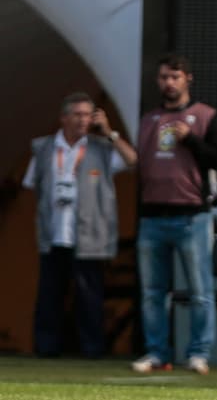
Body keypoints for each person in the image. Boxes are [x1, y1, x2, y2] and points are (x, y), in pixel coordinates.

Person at [132, 53, 217, 375]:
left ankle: (199, 353)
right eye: (163, 77)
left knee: (200, 290)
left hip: (192, 217)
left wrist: (192, 141)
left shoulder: (205, 117)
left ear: (188, 79)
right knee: (152, 293)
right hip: (152, 217)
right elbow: (138, 163)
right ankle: (157, 353)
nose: (168, 83)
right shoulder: (148, 120)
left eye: (175, 76)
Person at [22, 93, 137, 358]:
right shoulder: (44, 148)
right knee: (50, 295)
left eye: (88, 114)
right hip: (54, 233)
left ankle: (92, 349)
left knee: (90, 296)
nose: (83, 120)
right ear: (64, 117)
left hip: (89, 235)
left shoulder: (102, 148)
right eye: (78, 114)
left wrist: (110, 133)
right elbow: (32, 185)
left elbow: (133, 161)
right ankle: (47, 348)